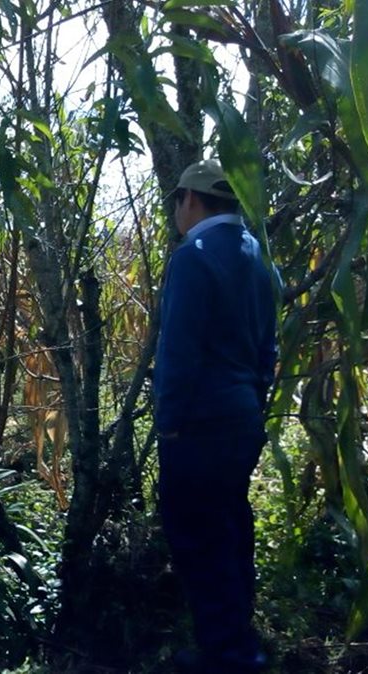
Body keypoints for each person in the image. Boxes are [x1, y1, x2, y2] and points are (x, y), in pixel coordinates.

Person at [154, 159, 277, 672]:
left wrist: (169, 420)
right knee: (230, 525)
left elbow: (178, 351)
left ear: (192, 200)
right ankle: (240, 641)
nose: (177, 212)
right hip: (242, 415)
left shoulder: (193, 257)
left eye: (177, 201)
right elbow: (266, 349)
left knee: (197, 536)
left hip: (199, 421)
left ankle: (223, 654)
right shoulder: (259, 259)